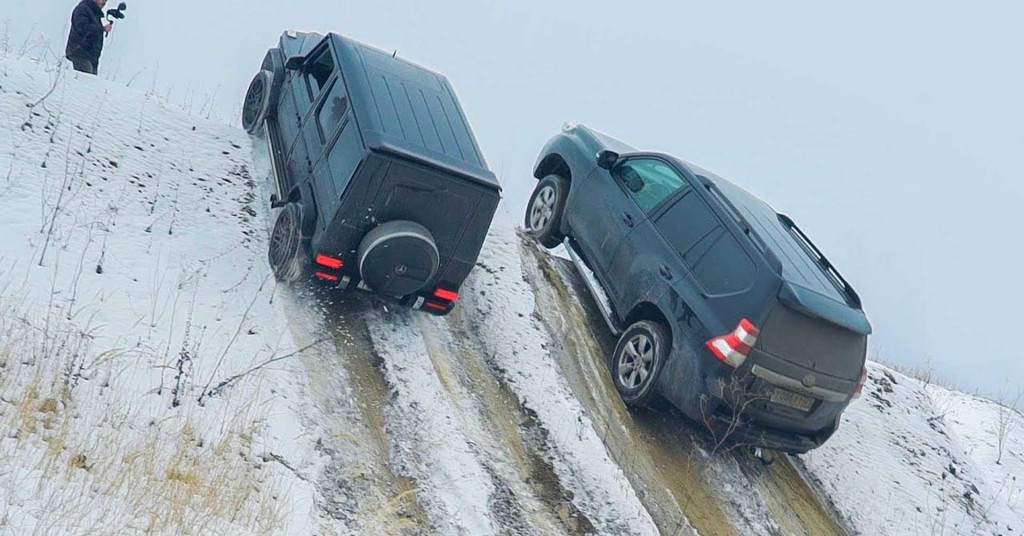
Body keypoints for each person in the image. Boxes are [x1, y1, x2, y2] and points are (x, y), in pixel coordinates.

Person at [65, 0, 112, 75]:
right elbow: (82, 27)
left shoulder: (94, 13)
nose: (104, 3)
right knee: (86, 82)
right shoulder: (83, 9)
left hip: (91, 56)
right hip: (80, 52)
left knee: (91, 84)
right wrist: (102, 29)